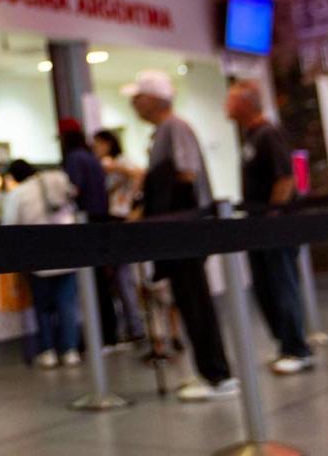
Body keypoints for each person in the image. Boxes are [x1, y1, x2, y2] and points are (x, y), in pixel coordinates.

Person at [126, 70, 239, 402]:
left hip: (184, 229)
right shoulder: (164, 130)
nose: (133, 103)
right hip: (176, 229)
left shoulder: (174, 127)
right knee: (189, 302)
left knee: (195, 301)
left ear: (152, 99)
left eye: (138, 96)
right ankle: (210, 372)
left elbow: (186, 174)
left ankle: (217, 375)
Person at [225, 80, 315, 375]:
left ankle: (296, 348)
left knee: (282, 284)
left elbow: (285, 179)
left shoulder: (268, 134)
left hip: (273, 226)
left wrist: (273, 217)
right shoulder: (250, 136)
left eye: (232, 99)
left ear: (246, 103)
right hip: (257, 225)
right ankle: (284, 344)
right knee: (266, 287)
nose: (226, 105)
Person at [2, 159, 81, 368]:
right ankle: (70, 349)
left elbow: (8, 227)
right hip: (66, 251)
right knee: (67, 304)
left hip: (38, 257)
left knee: (43, 306)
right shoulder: (56, 179)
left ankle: (48, 350)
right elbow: (74, 199)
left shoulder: (17, 195)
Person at [59, 118, 118, 349]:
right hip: (102, 222)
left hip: (87, 223)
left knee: (91, 283)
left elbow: (74, 189)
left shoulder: (74, 158)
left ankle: (99, 336)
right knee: (102, 283)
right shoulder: (91, 158)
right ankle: (109, 333)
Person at [93, 130, 146, 342]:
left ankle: (135, 326)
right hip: (111, 219)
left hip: (121, 218)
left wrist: (117, 170)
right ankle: (128, 324)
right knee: (117, 280)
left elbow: (140, 174)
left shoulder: (118, 162)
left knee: (124, 278)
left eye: (98, 143)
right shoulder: (103, 165)